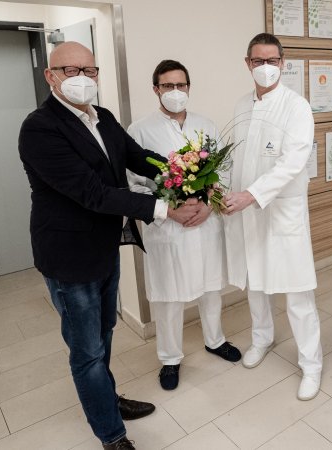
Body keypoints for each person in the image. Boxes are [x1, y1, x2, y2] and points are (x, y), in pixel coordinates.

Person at [18, 42, 206, 450]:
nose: (82, 79)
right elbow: (92, 192)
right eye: (71, 71)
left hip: (104, 244)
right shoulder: (40, 128)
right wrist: (164, 209)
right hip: (68, 256)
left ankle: (108, 399)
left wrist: (187, 176)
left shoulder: (101, 116)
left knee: (104, 332)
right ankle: (111, 434)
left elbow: (138, 158)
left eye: (89, 70)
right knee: (86, 350)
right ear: (50, 76)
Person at [127, 59, 241, 391]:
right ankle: (170, 358)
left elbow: (225, 170)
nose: (175, 92)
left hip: (205, 223)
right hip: (168, 228)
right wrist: (169, 210)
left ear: (189, 87)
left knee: (210, 288)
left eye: (181, 85)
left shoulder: (206, 125)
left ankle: (215, 340)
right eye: (167, 86)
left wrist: (208, 204)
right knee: (168, 296)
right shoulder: (139, 130)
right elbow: (133, 186)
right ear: (155, 89)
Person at [220, 33, 323, 401]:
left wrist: (252, 194)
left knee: (296, 291)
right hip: (246, 212)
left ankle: (311, 364)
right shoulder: (240, 106)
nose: (266, 68)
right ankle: (261, 338)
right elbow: (232, 156)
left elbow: (293, 162)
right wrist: (220, 187)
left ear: (283, 63)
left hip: (282, 212)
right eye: (258, 61)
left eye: (272, 61)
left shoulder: (297, 106)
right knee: (256, 283)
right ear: (248, 63)